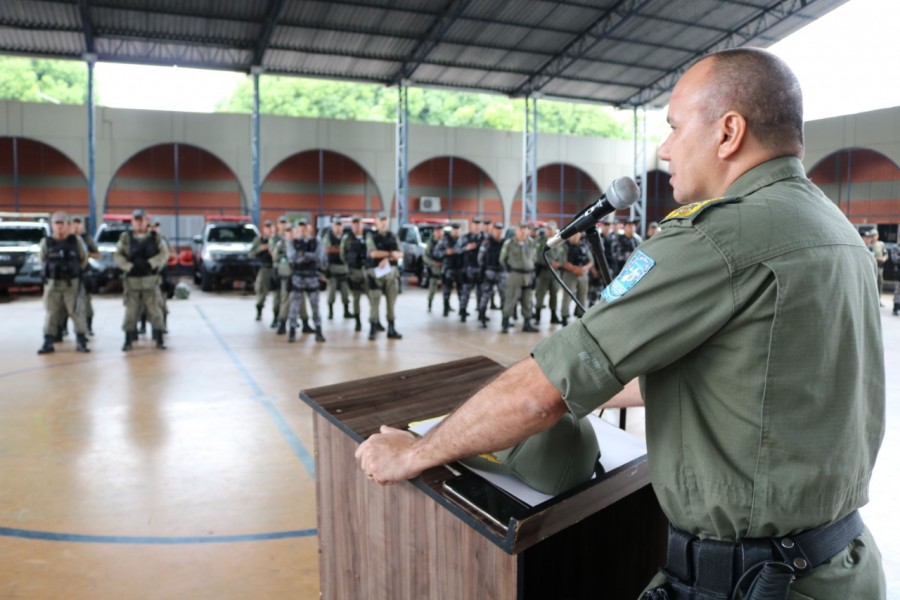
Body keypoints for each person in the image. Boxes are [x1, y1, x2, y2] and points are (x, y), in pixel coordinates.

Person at [355, 48, 885, 599]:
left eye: (676, 127)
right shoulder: (836, 231)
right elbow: (757, 381)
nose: (664, 149)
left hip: (749, 581)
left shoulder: (716, 238)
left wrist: (414, 452)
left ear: (728, 133)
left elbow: (541, 396)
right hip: (841, 566)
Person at [115, 208, 169, 350]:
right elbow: (118, 255)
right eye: (136, 220)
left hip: (150, 282)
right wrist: (128, 267)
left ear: (146, 222)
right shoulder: (125, 238)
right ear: (132, 222)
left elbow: (164, 253)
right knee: (130, 313)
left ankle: (159, 339)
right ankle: (128, 340)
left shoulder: (155, 237)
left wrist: (151, 264)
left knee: (155, 311)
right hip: (132, 283)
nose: (139, 223)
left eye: (142, 220)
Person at [37, 211, 90, 354]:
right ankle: (48, 341)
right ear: (52, 226)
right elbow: (42, 260)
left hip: (71, 284)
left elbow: (83, 260)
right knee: (51, 313)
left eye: (63, 224)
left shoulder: (76, 241)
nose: (60, 227)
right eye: (57, 224)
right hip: (53, 284)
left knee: (77, 312)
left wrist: (73, 271)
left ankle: (81, 340)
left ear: (68, 225)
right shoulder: (46, 242)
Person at [286, 219, 325, 343]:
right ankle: (292, 330)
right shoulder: (293, 242)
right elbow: (292, 259)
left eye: (305, 227)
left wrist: (303, 255)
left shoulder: (316, 242)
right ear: (297, 229)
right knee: (294, 306)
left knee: (315, 306)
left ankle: (318, 330)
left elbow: (320, 258)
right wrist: (309, 256)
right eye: (300, 227)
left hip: (312, 277)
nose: (303, 230)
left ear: (310, 228)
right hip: (298, 277)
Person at [365, 213, 403, 341]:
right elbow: (373, 254)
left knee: (391, 302)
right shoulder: (371, 236)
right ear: (376, 222)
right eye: (380, 220)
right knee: (375, 302)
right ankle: (373, 327)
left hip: (391, 275)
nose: (383, 223)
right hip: (375, 274)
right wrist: (391, 254)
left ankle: (391, 328)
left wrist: (387, 258)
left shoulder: (393, 236)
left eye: (385, 220)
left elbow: (401, 253)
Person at [499, 222, 538, 334]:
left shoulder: (531, 243)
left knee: (527, 300)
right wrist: (510, 270)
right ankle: (505, 322)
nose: (524, 231)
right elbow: (502, 259)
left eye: (526, 228)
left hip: (528, 275)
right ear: (516, 230)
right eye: (521, 228)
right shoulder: (509, 243)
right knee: (510, 299)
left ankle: (527, 323)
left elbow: (534, 258)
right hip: (514, 275)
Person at [70, 215, 99, 336]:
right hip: (69, 276)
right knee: (66, 305)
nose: (76, 226)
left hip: (84, 274)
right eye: (74, 223)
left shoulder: (87, 239)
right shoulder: (66, 239)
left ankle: (88, 327)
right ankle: (62, 329)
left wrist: (87, 255)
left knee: (86, 304)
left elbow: (97, 254)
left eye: (79, 223)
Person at [340, 216, 370, 331]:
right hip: (354, 271)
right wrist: (349, 266)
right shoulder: (347, 238)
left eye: (358, 224)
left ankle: (375, 320)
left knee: (372, 296)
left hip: (367, 271)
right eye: (354, 224)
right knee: (356, 298)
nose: (356, 226)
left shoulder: (368, 236)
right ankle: (358, 321)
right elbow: (342, 254)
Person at [533, 220, 565, 324]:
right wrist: (551, 262)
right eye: (547, 229)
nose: (548, 231)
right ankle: (537, 316)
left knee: (554, 294)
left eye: (550, 229)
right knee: (540, 294)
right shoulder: (540, 241)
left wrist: (559, 263)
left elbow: (563, 254)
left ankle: (553, 316)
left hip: (555, 273)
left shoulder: (559, 240)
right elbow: (537, 256)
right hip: (544, 272)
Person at [559, 231, 592, 326]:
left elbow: (591, 261)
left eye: (577, 234)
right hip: (569, 274)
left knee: (582, 295)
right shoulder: (565, 245)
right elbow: (563, 261)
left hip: (583, 274)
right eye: (573, 234)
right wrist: (576, 269)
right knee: (567, 296)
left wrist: (583, 269)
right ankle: (564, 316)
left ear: (580, 235)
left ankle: (580, 315)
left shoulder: (584, 245)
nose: (575, 236)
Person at [476, 221, 506, 328]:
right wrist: (483, 271)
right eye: (497, 230)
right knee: (485, 296)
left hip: (502, 272)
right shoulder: (486, 242)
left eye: (500, 230)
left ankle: (505, 320)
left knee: (504, 297)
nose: (499, 232)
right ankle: (482, 317)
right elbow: (480, 258)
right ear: (493, 231)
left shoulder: (505, 242)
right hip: (489, 272)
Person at [323, 216, 352, 320]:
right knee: (331, 293)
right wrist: (341, 249)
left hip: (344, 268)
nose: (338, 227)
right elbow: (327, 249)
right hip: (332, 268)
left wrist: (337, 249)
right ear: (333, 226)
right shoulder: (328, 236)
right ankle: (330, 312)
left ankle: (346, 311)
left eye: (340, 225)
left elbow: (350, 249)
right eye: (336, 225)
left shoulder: (345, 236)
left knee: (345, 292)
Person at [250, 219, 274, 322]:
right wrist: (261, 248)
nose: (269, 230)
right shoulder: (258, 240)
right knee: (261, 292)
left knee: (280, 294)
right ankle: (259, 311)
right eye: (267, 227)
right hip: (264, 268)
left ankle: (277, 317)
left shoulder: (277, 239)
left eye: (270, 227)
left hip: (276, 268)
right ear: (264, 229)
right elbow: (250, 253)